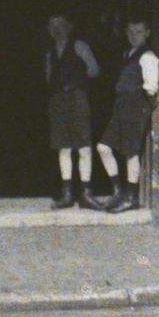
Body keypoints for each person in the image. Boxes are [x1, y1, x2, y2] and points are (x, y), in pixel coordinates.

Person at [94, 19, 159, 214]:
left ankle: (131, 198)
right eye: (130, 31)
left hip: (135, 105)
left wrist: (146, 107)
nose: (134, 35)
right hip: (121, 106)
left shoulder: (148, 56)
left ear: (147, 33)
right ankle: (118, 192)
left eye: (138, 31)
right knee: (103, 147)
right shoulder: (127, 54)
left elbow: (151, 86)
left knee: (131, 152)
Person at [43, 13, 101, 209]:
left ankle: (86, 193)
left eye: (60, 25)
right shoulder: (50, 53)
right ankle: (67, 194)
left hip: (77, 98)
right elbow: (49, 78)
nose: (56, 30)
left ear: (69, 27)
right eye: (52, 26)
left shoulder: (79, 46)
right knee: (63, 147)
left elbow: (94, 70)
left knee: (84, 146)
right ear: (49, 30)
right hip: (58, 102)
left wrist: (77, 82)